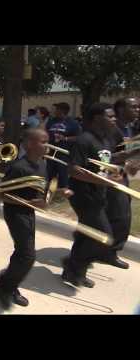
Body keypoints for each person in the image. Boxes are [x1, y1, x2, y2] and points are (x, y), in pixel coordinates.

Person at [62, 103, 122, 287]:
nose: (114, 120)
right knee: (104, 237)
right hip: (83, 195)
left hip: (98, 194)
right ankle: (73, 264)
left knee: (86, 235)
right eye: (110, 116)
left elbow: (106, 162)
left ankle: (73, 272)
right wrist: (103, 182)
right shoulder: (84, 140)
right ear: (97, 118)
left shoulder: (106, 139)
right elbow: (73, 170)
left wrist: (122, 166)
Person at [0, 129, 49, 309]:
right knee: (27, 255)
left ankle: (10, 284)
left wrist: (46, 200)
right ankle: (4, 286)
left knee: (22, 252)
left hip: (28, 212)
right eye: (43, 141)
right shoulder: (18, 167)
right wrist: (28, 203)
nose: (47, 145)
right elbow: (0, 194)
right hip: (16, 213)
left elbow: (40, 191)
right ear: (30, 144)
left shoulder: (42, 165)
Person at [102, 98, 140, 269]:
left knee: (118, 214)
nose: (137, 110)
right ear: (120, 109)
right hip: (107, 176)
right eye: (134, 107)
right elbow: (106, 155)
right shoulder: (111, 127)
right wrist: (132, 154)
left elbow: (124, 152)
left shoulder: (129, 127)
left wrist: (134, 162)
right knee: (121, 216)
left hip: (121, 174)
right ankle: (108, 252)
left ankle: (105, 250)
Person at [45, 102, 81, 189]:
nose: (55, 111)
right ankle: (49, 194)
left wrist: (65, 138)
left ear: (63, 111)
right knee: (50, 175)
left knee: (63, 175)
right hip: (51, 152)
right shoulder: (51, 121)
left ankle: (62, 194)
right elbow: (46, 132)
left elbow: (79, 138)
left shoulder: (72, 123)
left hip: (64, 154)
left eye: (57, 109)